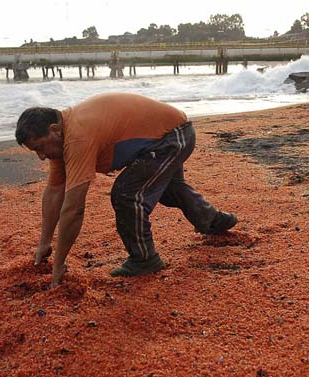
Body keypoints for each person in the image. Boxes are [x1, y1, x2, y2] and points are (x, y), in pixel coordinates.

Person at [15, 93, 237, 287]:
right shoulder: (62, 139)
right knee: (169, 190)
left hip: (172, 136)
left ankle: (144, 259)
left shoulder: (77, 136)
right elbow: (55, 193)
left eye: (40, 148)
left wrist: (59, 264)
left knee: (127, 194)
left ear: (54, 130)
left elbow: (73, 209)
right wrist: (44, 242)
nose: (42, 156)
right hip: (167, 135)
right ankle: (214, 220)